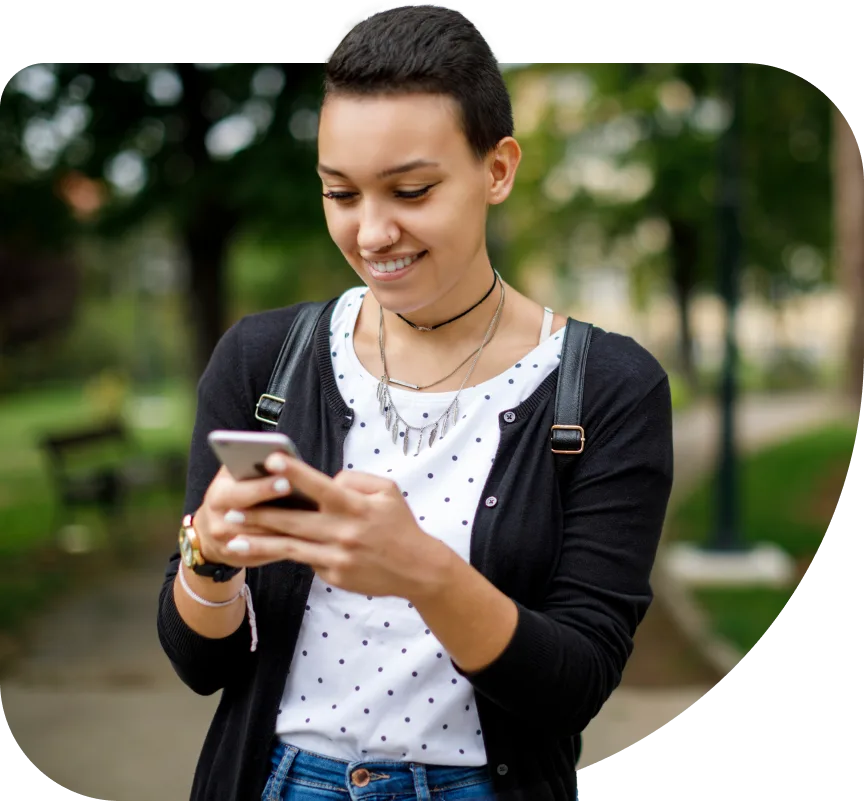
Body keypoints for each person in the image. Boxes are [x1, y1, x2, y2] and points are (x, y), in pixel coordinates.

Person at [157, 3, 674, 800]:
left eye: (410, 190)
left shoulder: (608, 388)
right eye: (341, 194)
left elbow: (575, 684)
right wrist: (211, 558)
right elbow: (201, 665)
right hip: (275, 780)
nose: (372, 233)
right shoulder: (263, 363)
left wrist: (425, 573)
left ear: (497, 169)